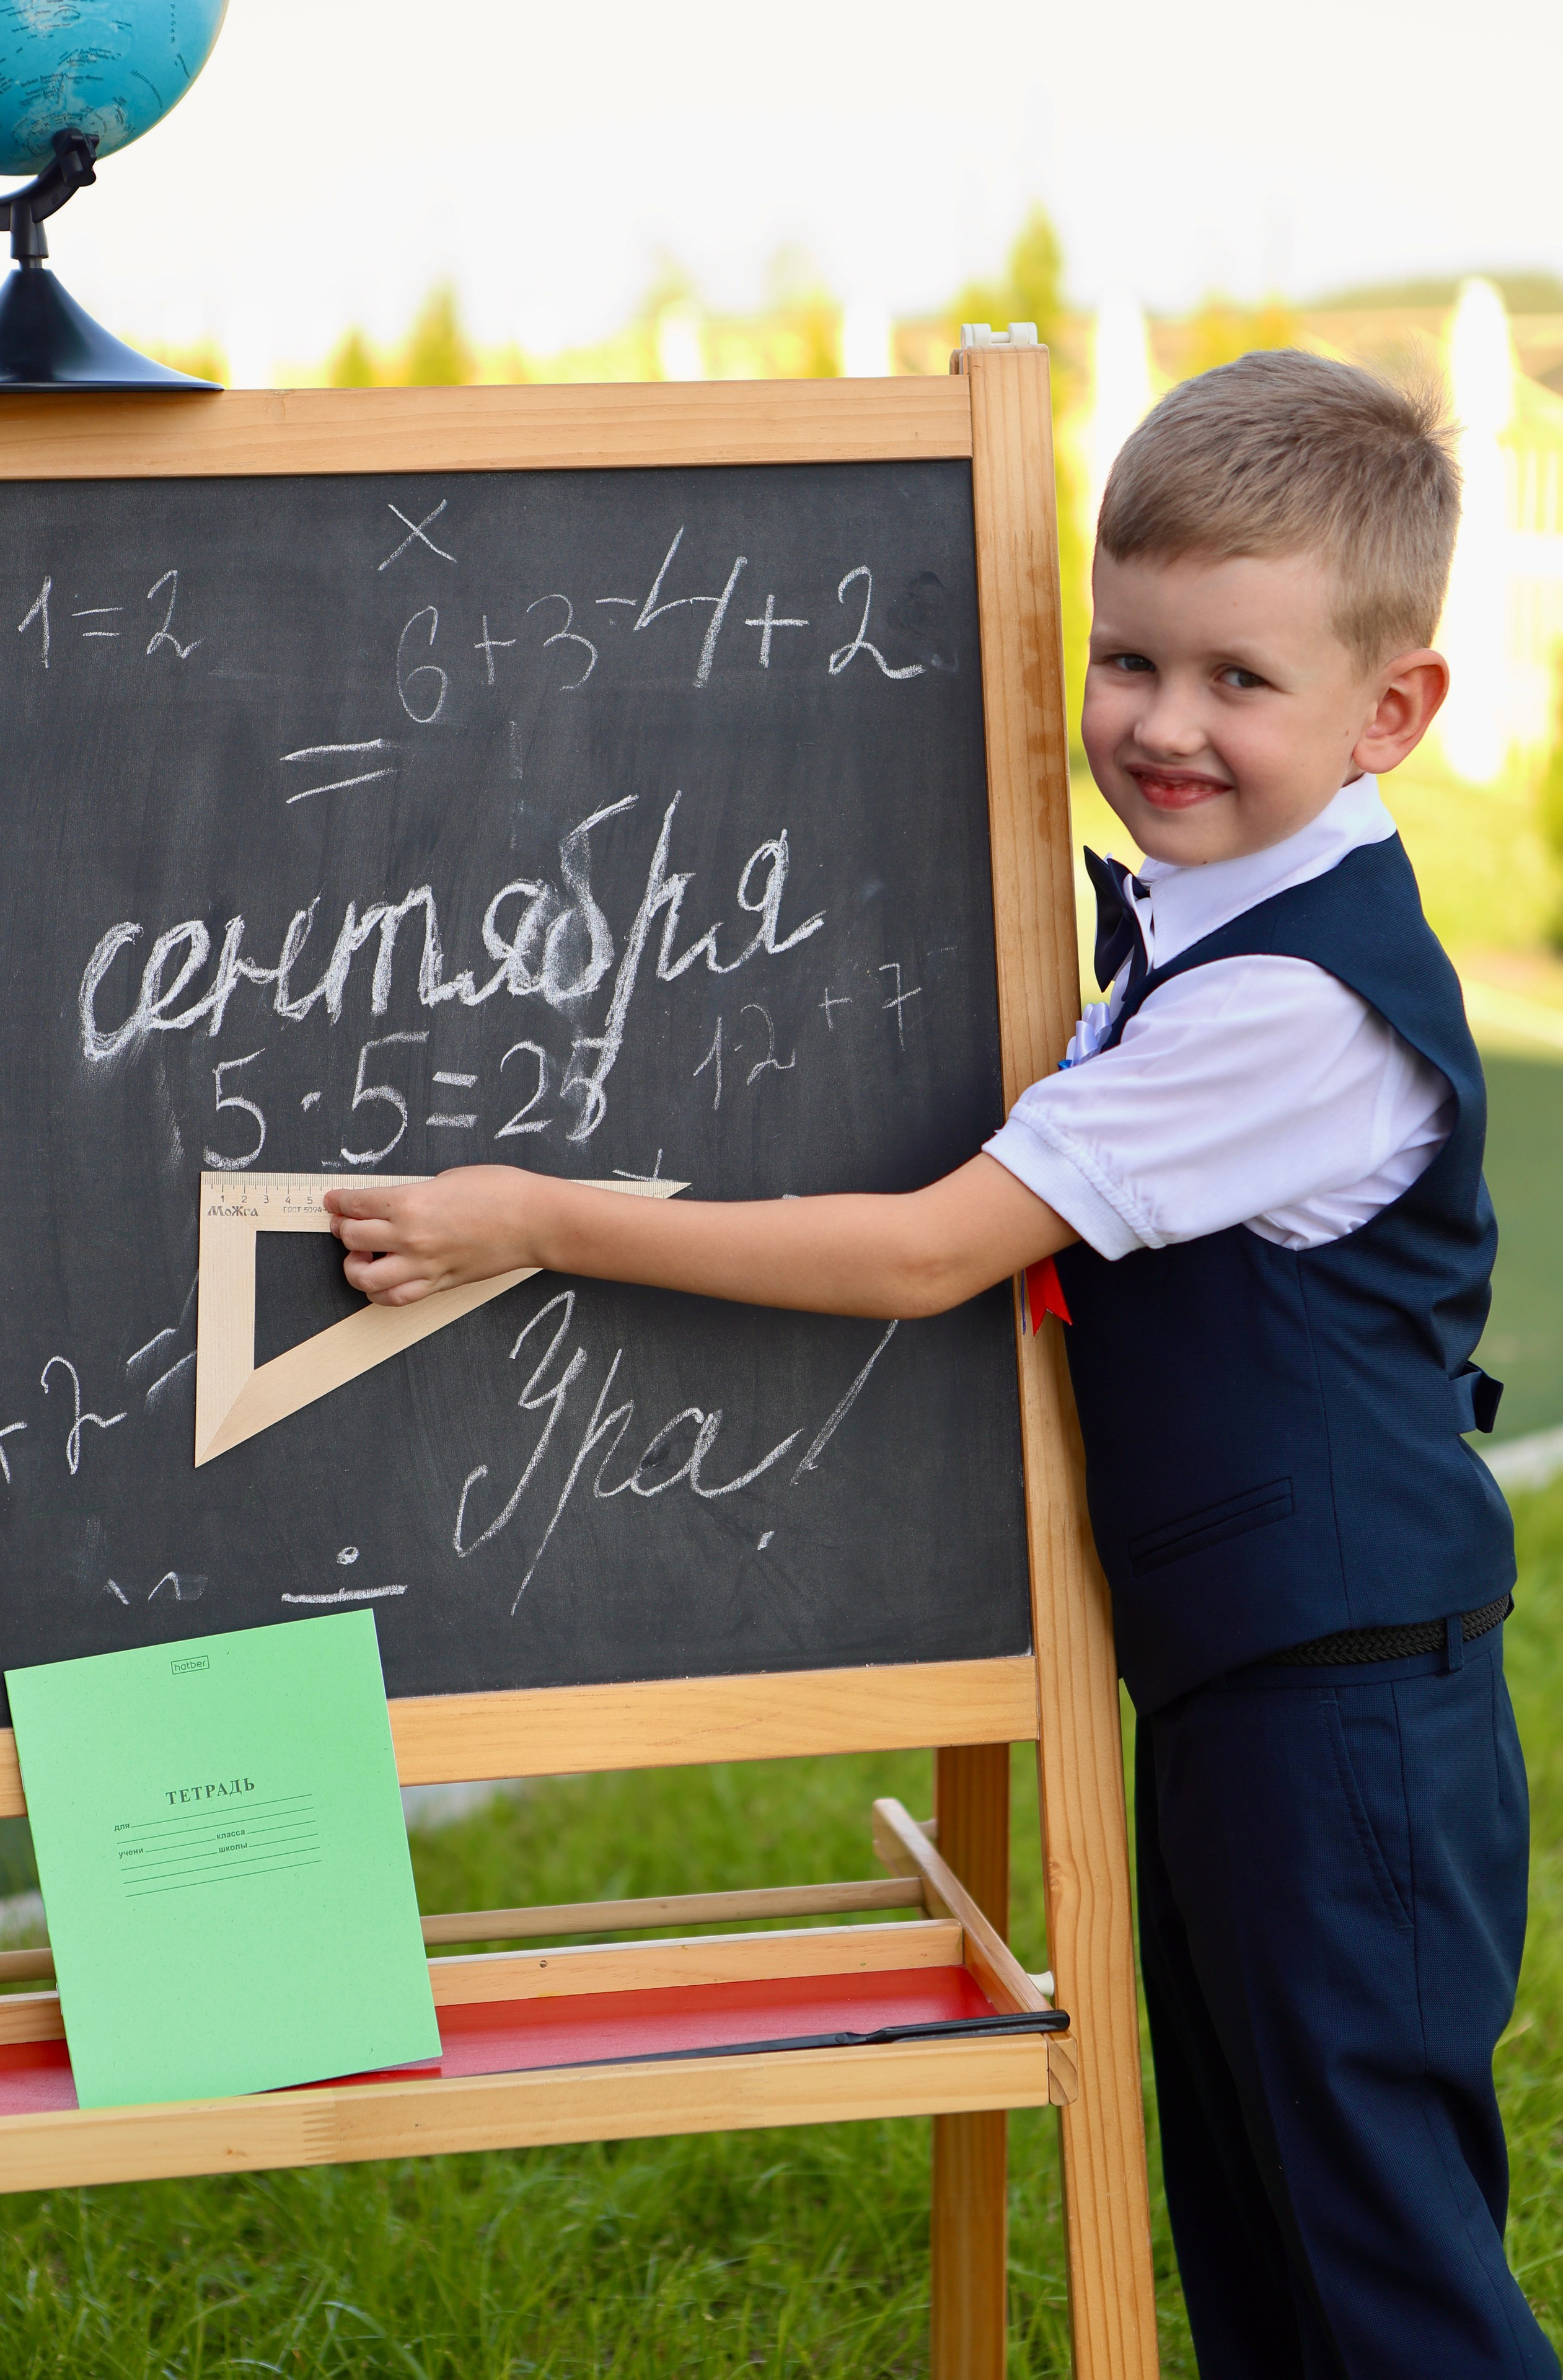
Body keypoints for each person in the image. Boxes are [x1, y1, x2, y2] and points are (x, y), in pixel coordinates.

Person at [325, 350, 1553, 2379]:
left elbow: (923, 1256)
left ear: (1392, 710)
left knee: (1382, 2262)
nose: (1162, 725)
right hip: (1266, 1681)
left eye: (1240, 681)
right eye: (1130, 659)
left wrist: (539, 1221)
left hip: (1345, 1710)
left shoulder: (1291, 1011)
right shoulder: (1230, 917)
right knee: (1259, 2210)